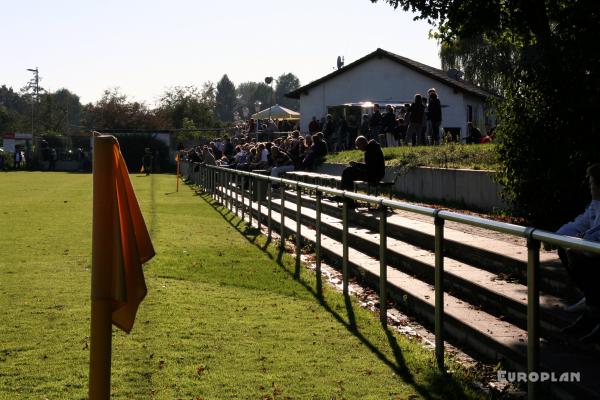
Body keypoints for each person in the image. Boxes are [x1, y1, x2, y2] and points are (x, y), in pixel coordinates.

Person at [556, 163, 600, 342]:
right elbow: (578, 224)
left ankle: (594, 305)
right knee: (564, 247)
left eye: (592, 182)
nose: (590, 186)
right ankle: (591, 299)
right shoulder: (596, 204)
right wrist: (555, 237)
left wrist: (580, 245)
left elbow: (595, 236)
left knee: (576, 255)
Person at [339, 136, 385, 208]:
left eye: (358, 146)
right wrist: (356, 165)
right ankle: (345, 197)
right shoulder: (371, 148)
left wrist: (356, 165)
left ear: (362, 143)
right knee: (348, 171)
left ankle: (347, 199)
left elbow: (370, 168)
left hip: (375, 175)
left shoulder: (371, 150)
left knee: (348, 172)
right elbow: (370, 166)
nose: (358, 148)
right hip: (374, 173)